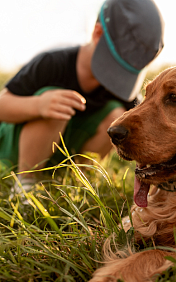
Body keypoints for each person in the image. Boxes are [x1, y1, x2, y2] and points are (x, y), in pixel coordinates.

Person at [0, 0, 164, 178]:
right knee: (56, 102)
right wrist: (39, 105)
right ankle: (26, 181)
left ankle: (73, 178)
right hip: (14, 154)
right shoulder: (52, 63)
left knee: (119, 115)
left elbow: (143, 123)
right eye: (116, 67)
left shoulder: (119, 88)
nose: (118, 79)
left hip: (61, 156)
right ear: (97, 34)